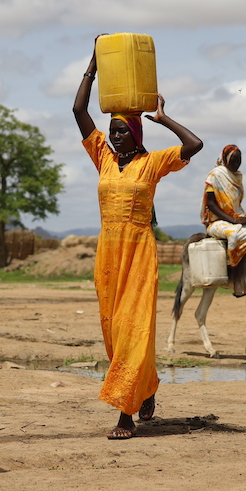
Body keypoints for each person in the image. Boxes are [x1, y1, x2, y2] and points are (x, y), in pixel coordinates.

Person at [74, 41, 202, 440]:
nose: (114, 137)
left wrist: (164, 119)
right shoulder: (103, 157)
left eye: (121, 132)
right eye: (111, 131)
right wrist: (93, 66)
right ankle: (146, 388)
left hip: (139, 253)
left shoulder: (153, 162)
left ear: (135, 134)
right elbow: (79, 111)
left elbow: (194, 146)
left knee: (135, 329)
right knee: (113, 331)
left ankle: (125, 414)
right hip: (108, 254)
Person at [201, 145, 246, 296]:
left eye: (239, 160)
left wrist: (238, 218)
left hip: (237, 217)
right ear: (226, 159)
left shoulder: (238, 176)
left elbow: (236, 204)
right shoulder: (215, 175)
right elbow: (211, 205)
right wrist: (233, 220)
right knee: (234, 235)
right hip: (216, 222)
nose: (236, 164)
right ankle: (237, 278)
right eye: (233, 160)